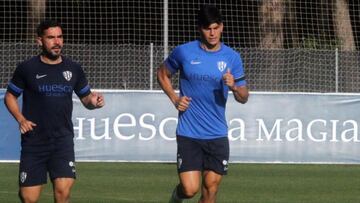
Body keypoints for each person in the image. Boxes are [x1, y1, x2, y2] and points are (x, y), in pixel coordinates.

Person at [4, 19, 105, 203]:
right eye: (51, 37)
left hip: (62, 141)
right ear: (39, 41)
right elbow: (9, 96)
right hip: (34, 141)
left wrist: (94, 101)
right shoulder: (26, 68)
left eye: (59, 37)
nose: (57, 42)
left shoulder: (73, 68)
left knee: (63, 192)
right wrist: (20, 119)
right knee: (29, 198)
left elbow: (86, 98)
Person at [157, 5, 249, 203]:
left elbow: (244, 97)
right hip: (189, 132)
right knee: (190, 189)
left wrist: (234, 86)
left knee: (210, 189)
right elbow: (162, 74)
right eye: (208, 28)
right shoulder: (184, 52)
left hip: (217, 134)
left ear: (222, 27)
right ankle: (176, 197)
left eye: (216, 27)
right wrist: (175, 98)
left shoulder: (232, 57)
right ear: (200, 28)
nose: (212, 33)